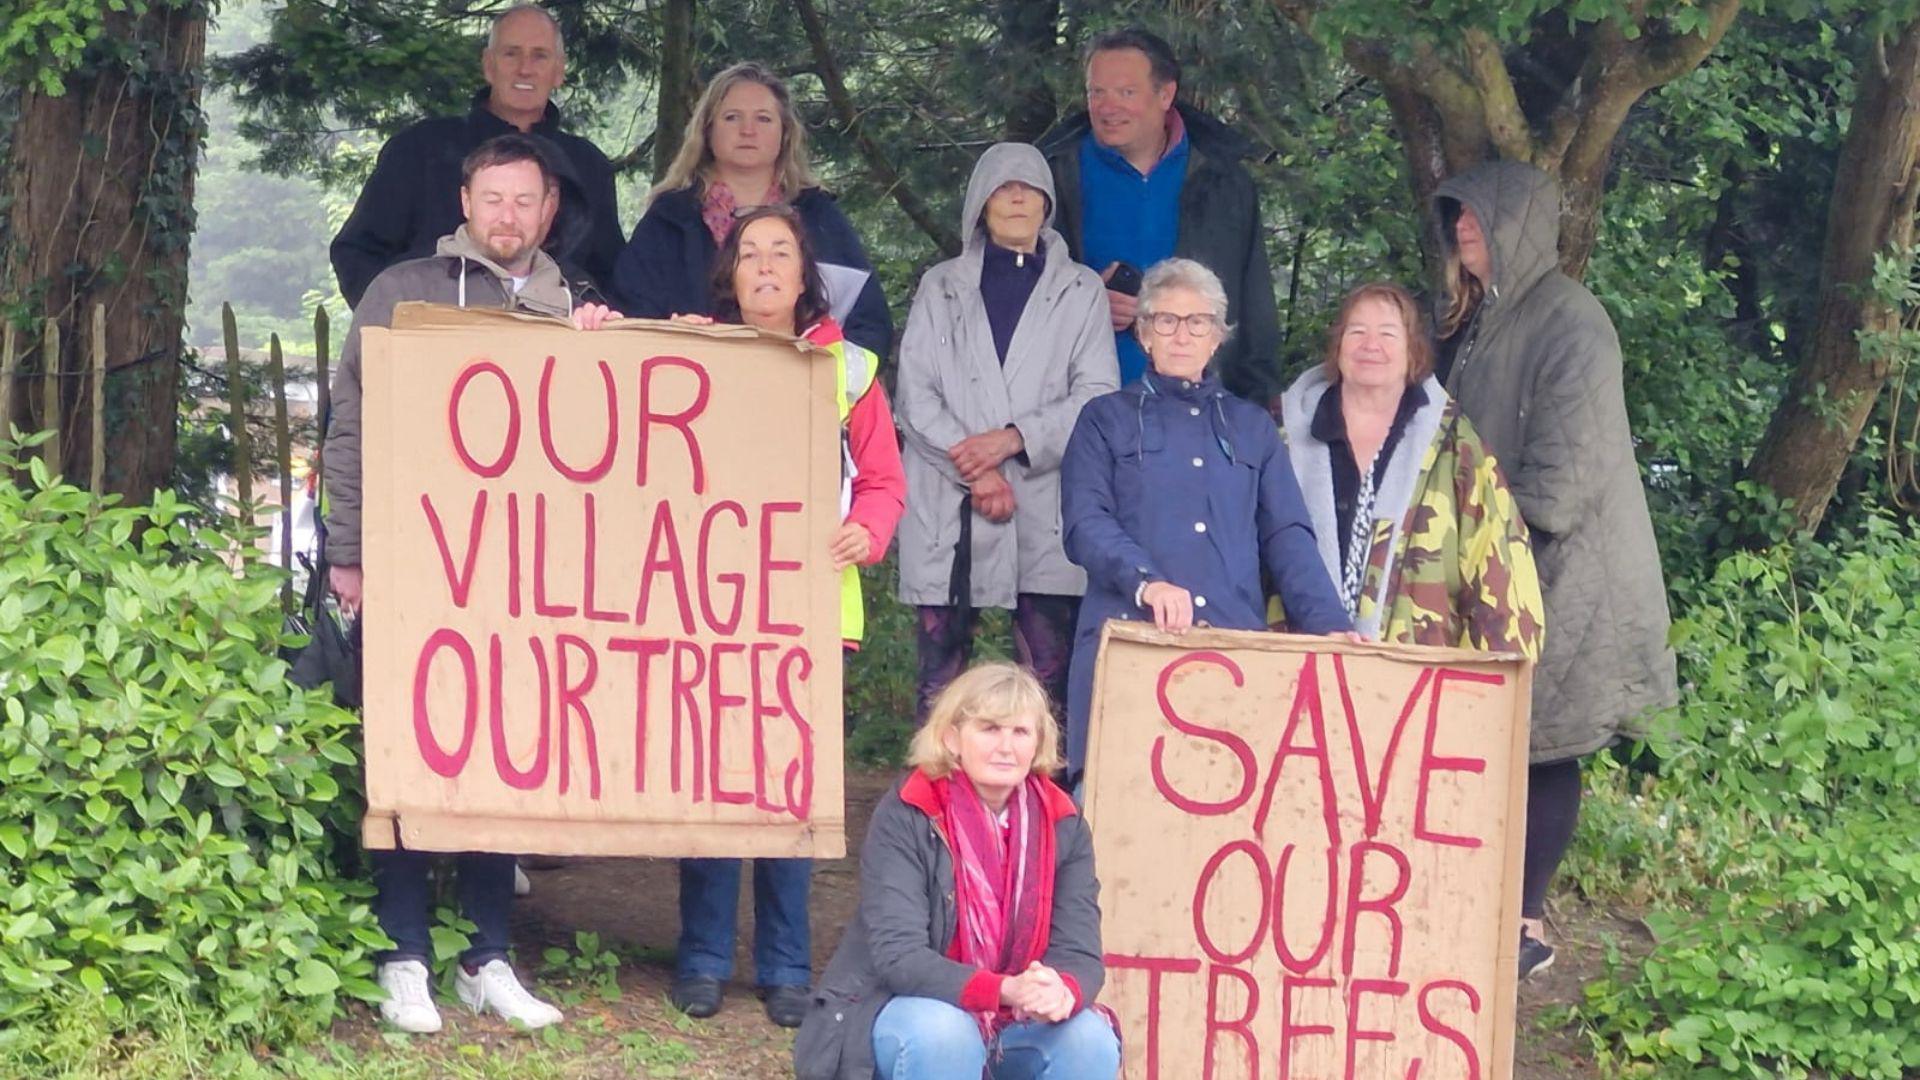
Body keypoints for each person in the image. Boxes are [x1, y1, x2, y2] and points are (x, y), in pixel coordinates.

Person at [321, 133, 621, 1034]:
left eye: (524, 201)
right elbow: (349, 426)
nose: (507, 216)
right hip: (418, 564)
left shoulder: (577, 309)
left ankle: (488, 956)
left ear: (548, 211)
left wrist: (605, 351)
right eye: (492, 199)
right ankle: (403, 955)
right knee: (410, 754)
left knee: (507, 759)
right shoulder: (402, 291)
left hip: (523, 581)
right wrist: (349, 550)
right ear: (465, 201)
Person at [1432, 160, 1678, 979]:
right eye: (1457, 219)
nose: (1463, 230)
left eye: (1477, 218)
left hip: (1566, 567)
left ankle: (1527, 925)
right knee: (1494, 733)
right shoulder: (1482, 315)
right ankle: (1483, 901)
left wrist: (1483, 530)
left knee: (1545, 739)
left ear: (1520, 224)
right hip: (1497, 557)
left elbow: (1562, 480)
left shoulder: (1573, 321)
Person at [667, 204, 905, 1026]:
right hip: (709, 608)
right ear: (729, 272)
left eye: (782, 254)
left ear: (807, 275)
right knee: (712, 784)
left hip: (810, 613)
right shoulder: (694, 350)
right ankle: (699, 959)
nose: (765, 266)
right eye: (750, 254)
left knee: (790, 792)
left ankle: (784, 968)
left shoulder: (853, 370)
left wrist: (866, 533)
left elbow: (883, 483)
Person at [1059, 258, 1354, 779]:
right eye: (1166, 321)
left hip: (1232, 653)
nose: (1181, 335)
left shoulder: (1253, 428)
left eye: (1198, 322)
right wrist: (1146, 582)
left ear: (1217, 337)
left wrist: (1331, 627)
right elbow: (1085, 522)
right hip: (1129, 645)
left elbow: (1287, 536)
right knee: (1112, 825)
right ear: (1145, 334)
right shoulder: (1103, 419)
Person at [793, 663, 1120, 1080]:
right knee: (946, 1035)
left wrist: (1061, 989)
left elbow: (1081, 951)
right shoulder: (910, 811)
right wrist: (1003, 989)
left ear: (1038, 744)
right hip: (895, 1006)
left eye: (1020, 732)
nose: (1006, 747)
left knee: (1089, 1039)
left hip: (1014, 1017)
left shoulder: (1063, 821)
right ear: (951, 738)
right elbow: (900, 957)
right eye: (989, 729)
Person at [894, 142, 1119, 723]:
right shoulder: (940, 285)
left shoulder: (1081, 290)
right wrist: (978, 468)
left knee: (1048, 676)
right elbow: (915, 396)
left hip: (1042, 499)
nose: (1016, 196)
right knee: (940, 678)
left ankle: (1046, 805)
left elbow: (1096, 394)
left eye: (1028, 187)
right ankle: (934, 802)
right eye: (1001, 186)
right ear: (978, 204)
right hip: (952, 496)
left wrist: (1015, 438)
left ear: (1047, 203)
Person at [1278, 280, 1543, 654]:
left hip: (1419, 682)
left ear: (1412, 350)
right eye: (1357, 331)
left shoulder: (1456, 448)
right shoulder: (1278, 437)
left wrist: (1496, 687)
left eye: (1388, 333)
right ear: (1338, 345)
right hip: (1291, 676)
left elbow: (1500, 573)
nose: (1371, 345)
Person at [1037, 28, 1281, 408]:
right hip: (1081, 412)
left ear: (1165, 95)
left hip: (1199, 410)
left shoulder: (1223, 179)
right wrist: (1084, 302)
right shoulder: (1050, 175)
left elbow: (1253, 303)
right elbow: (1011, 293)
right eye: (1096, 92)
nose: (1106, 106)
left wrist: (1260, 403)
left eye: (1126, 92)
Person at [329, 3, 624, 306]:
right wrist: (396, 327)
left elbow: (610, 277)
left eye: (540, 55)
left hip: (552, 344)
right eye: (511, 53)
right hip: (431, 337)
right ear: (488, 65)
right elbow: (358, 252)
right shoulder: (419, 149)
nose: (525, 68)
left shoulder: (588, 166)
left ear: (559, 70)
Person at [613, 62, 893, 360]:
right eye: (732, 118)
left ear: (785, 134)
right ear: (707, 130)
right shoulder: (670, 219)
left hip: (803, 392)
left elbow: (869, 325)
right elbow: (629, 318)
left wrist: (825, 375)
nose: (748, 131)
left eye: (763, 119)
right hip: (691, 390)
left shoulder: (818, 216)